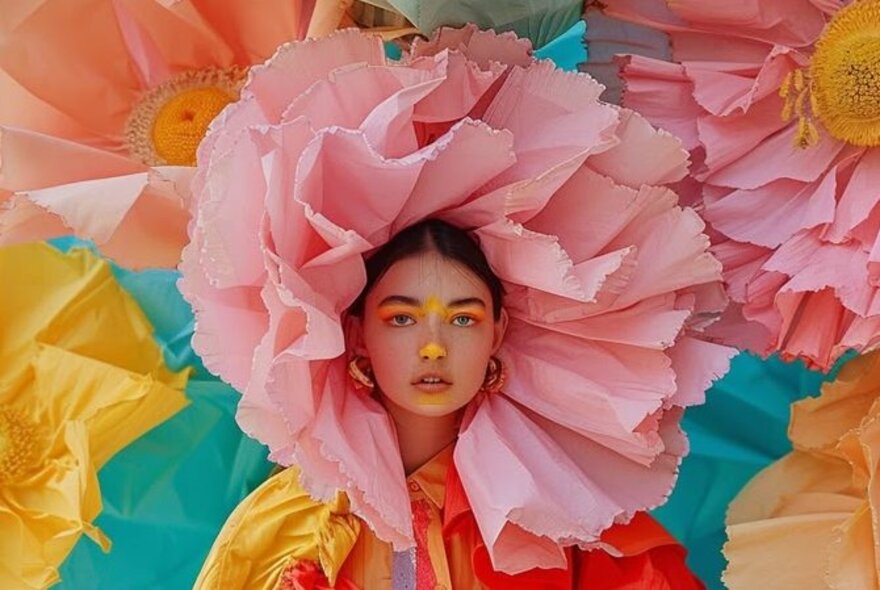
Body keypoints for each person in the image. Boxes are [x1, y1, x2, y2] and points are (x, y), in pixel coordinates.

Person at [194, 219, 704, 590]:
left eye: (463, 319)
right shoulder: (277, 523)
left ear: (497, 332)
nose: (433, 345)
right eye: (401, 319)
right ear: (358, 333)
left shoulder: (557, 519)